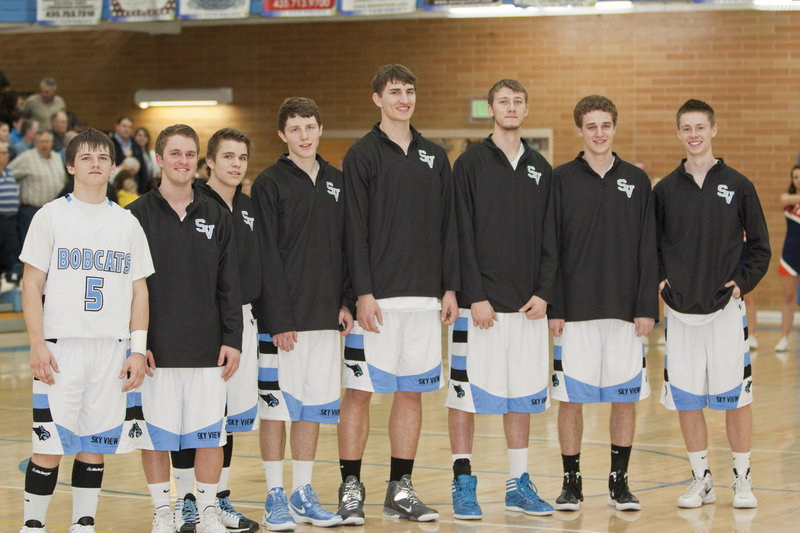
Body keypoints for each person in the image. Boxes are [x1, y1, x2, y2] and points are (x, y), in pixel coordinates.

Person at [338, 64, 459, 524]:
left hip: (426, 301)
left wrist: (449, 287)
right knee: (360, 393)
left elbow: (449, 227)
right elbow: (354, 229)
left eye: (409, 91)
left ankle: (399, 489)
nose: (403, 99)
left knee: (411, 394)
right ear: (377, 99)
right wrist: (363, 293)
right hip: (378, 302)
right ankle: (351, 487)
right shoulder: (362, 154)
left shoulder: (435, 155)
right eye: (394, 92)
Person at [18, 128, 153, 533]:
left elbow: (139, 291)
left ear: (114, 166)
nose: (95, 163)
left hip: (110, 350)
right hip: (61, 349)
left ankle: (83, 524)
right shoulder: (50, 216)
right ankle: (33, 525)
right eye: (86, 157)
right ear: (70, 165)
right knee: (49, 445)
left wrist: (136, 349)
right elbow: (31, 283)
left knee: (95, 445)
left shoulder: (127, 223)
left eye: (102, 157)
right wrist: (37, 343)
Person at [446, 79, 555, 520]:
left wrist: (545, 292)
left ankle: (518, 483)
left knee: (523, 396)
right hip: (480, 308)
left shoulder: (541, 167)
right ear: (489, 108)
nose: (511, 108)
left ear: (526, 109)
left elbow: (552, 236)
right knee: (464, 397)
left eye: (518, 102)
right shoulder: (469, 164)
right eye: (503, 101)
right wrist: (475, 294)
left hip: (527, 307)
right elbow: (459, 232)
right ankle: (463, 482)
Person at [127, 124, 243, 533]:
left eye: (190, 154)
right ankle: (164, 511)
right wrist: (137, 346)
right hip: (156, 351)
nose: (183, 161)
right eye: (174, 153)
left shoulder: (216, 214)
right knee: (155, 437)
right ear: (159, 159)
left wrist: (233, 340)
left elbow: (230, 285)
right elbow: (129, 290)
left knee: (210, 435)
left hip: (208, 348)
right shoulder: (135, 216)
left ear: (199, 160)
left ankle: (208, 510)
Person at [655, 99, 770, 510]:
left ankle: (742, 478)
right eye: (686, 128)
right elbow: (650, 247)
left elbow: (760, 247)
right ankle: (701, 479)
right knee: (687, 398)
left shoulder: (739, 185)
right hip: (681, 313)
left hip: (725, 311)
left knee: (735, 397)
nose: (694, 134)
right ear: (679, 133)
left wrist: (741, 284)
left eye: (700, 127)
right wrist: (661, 280)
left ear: (713, 131)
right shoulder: (665, 190)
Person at [549, 95, 658, 512]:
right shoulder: (561, 179)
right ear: (580, 129)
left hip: (625, 311)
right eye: (591, 126)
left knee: (624, 397)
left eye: (606, 125)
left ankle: (619, 481)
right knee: (570, 398)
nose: (599, 133)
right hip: (574, 310)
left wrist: (647, 305)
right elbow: (551, 247)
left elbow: (649, 248)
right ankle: (571, 481)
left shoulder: (637, 180)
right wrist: (554, 304)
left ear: (615, 127)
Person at [252, 98, 353, 531]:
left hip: (326, 318)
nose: (305, 136)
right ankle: (274, 494)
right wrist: (278, 318)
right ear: (282, 135)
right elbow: (265, 256)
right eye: (295, 129)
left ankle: (302, 492)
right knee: (277, 409)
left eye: (310, 127)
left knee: (313, 407)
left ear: (320, 128)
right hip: (284, 323)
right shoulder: (269, 183)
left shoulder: (337, 181)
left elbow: (350, 248)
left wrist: (346, 301)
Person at [168, 128, 261, 533]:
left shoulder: (249, 207)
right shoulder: (195, 203)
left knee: (227, 420)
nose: (235, 164)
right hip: (196, 324)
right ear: (210, 162)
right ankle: (187, 502)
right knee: (195, 419)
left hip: (237, 321)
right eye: (227, 157)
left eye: (241, 157)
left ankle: (218, 500)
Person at [8, 130, 66, 247]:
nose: (44, 144)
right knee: (32, 247)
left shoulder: (56, 157)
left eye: (47, 141)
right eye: (41, 142)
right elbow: (7, 172)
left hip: (53, 211)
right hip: (31, 211)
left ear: (52, 142)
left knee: (52, 246)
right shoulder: (27, 158)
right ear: (36, 142)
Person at [775, 165, 800, 352]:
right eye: (795, 177)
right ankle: (784, 337)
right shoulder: (788, 198)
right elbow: (784, 200)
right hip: (790, 254)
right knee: (788, 297)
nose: (798, 180)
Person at [0, 142, 20, 289]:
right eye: (2, 153)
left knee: (10, 252)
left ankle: (7, 282)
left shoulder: (9, 171)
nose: (6, 156)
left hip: (11, 220)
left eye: (6, 152)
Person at [111, 116, 148, 193]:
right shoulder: (109, 143)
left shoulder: (135, 145)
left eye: (129, 127)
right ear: (117, 127)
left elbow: (143, 170)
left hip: (134, 188)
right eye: (124, 126)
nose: (127, 129)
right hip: (115, 187)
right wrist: (124, 156)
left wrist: (143, 192)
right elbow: (110, 165)